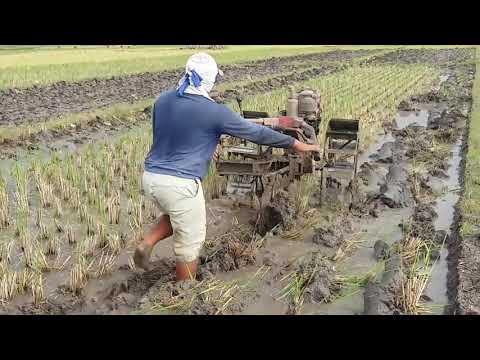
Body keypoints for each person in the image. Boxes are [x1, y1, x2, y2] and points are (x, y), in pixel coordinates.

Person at [134, 52, 320, 281]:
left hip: (151, 177)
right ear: (210, 81)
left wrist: (204, 145)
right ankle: (184, 292)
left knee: (178, 213)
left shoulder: (163, 100)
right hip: (180, 183)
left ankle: (148, 242)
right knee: (190, 242)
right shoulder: (215, 111)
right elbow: (258, 134)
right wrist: (296, 143)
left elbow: (167, 135)